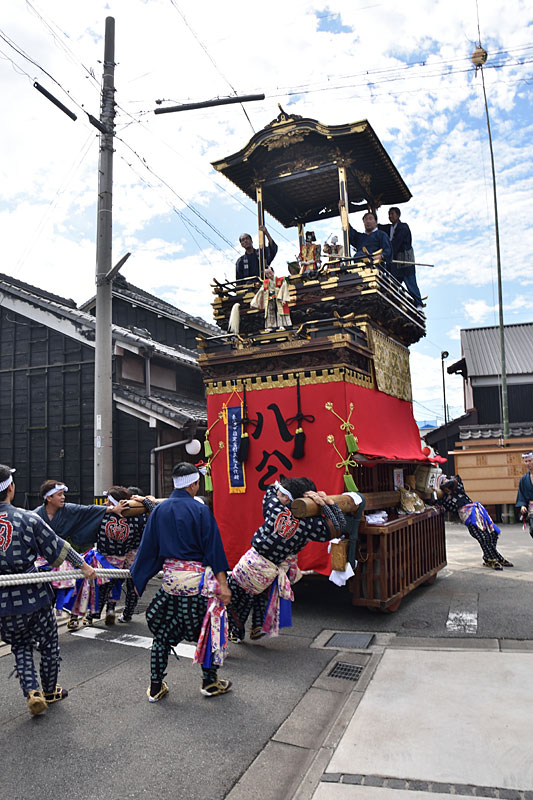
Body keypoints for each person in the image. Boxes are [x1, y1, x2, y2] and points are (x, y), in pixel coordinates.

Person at [130, 462, 232, 703]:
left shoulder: (159, 510)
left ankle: (156, 686)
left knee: (162, 635)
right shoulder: (200, 511)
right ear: (194, 484)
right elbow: (214, 548)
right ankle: (209, 682)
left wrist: (138, 578)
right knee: (208, 631)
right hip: (197, 586)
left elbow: (147, 548)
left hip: (170, 584)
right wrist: (223, 584)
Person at [0, 464, 96, 716]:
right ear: (10, 489)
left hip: (3, 602)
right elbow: (58, 548)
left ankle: (32, 691)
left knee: (20, 645)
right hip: (34, 594)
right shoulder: (28, 518)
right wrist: (85, 566)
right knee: (49, 643)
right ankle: (50, 690)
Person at [226, 477, 345, 643]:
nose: (277, 495)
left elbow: (269, 491)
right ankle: (257, 625)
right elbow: (339, 525)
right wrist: (324, 503)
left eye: (281, 494)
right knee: (257, 592)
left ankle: (236, 632)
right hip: (272, 570)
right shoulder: (308, 525)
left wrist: (286, 489)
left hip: (251, 563)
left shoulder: (276, 509)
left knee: (234, 596)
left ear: (288, 498)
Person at [34, 480, 128, 629]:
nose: (63, 497)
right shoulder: (36, 515)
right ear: (49, 498)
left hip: (62, 556)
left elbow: (88, 510)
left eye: (63, 494)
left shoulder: (68, 509)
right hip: (40, 561)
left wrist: (112, 509)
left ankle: (62, 618)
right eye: (59, 494)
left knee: (68, 589)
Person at [85, 486, 155, 626]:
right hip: (132, 555)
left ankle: (96, 614)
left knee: (106, 586)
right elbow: (156, 513)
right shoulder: (139, 516)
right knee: (132, 586)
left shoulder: (103, 513)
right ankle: (125, 614)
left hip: (109, 557)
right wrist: (146, 502)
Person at [437, 475, 513, 570]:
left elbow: (453, 481)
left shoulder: (457, 488)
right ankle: (493, 559)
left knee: (493, 534)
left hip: (478, 512)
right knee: (482, 537)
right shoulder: (444, 499)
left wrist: (444, 484)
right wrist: (440, 490)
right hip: (469, 517)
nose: (446, 482)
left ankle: (490, 557)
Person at [379, 207, 424, 308]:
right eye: (389, 214)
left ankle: (418, 304)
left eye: (392, 214)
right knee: (393, 282)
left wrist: (386, 253)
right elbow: (379, 228)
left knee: (410, 282)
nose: (390, 216)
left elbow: (396, 242)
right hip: (395, 262)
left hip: (405, 260)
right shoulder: (389, 228)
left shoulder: (403, 227)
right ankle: (394, 301)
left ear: (398, 215)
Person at [250, 266, 292, 331]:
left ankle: (281, 325)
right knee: (270, 312)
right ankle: (270, 326)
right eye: (267, 274)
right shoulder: (265, 282)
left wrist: (283, 299)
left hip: (278, 298)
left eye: (270, 273)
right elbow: (260, 292)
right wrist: (254, 303)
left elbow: (284, 289)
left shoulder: (281, 280)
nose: (269, 275)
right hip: (269, 299)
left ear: (273, 272)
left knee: (279, 312)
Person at [516, 451, 533, 538]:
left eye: (530, 461)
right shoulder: (524, 479)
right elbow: (521, 493)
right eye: (526, 461)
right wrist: (522, 505)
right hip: (531, 507)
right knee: (532, 529)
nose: (528, 463)